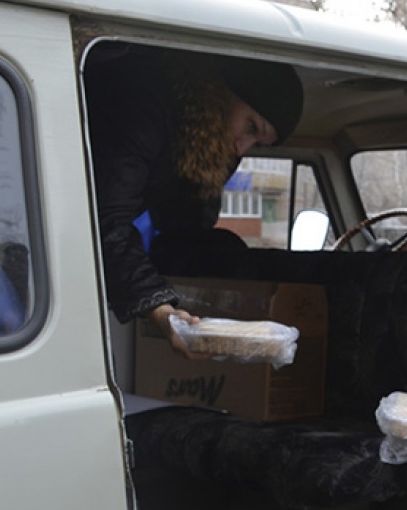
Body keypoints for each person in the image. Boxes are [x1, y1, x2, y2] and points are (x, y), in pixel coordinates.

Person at [85, 45, 303, 356]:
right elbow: (102, 218)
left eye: (257, 144)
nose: (242, 149)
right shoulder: (146, 107)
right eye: (251, 127)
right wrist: (159, 309)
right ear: (220, 92)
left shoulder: (194, 142)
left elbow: (183, 229)